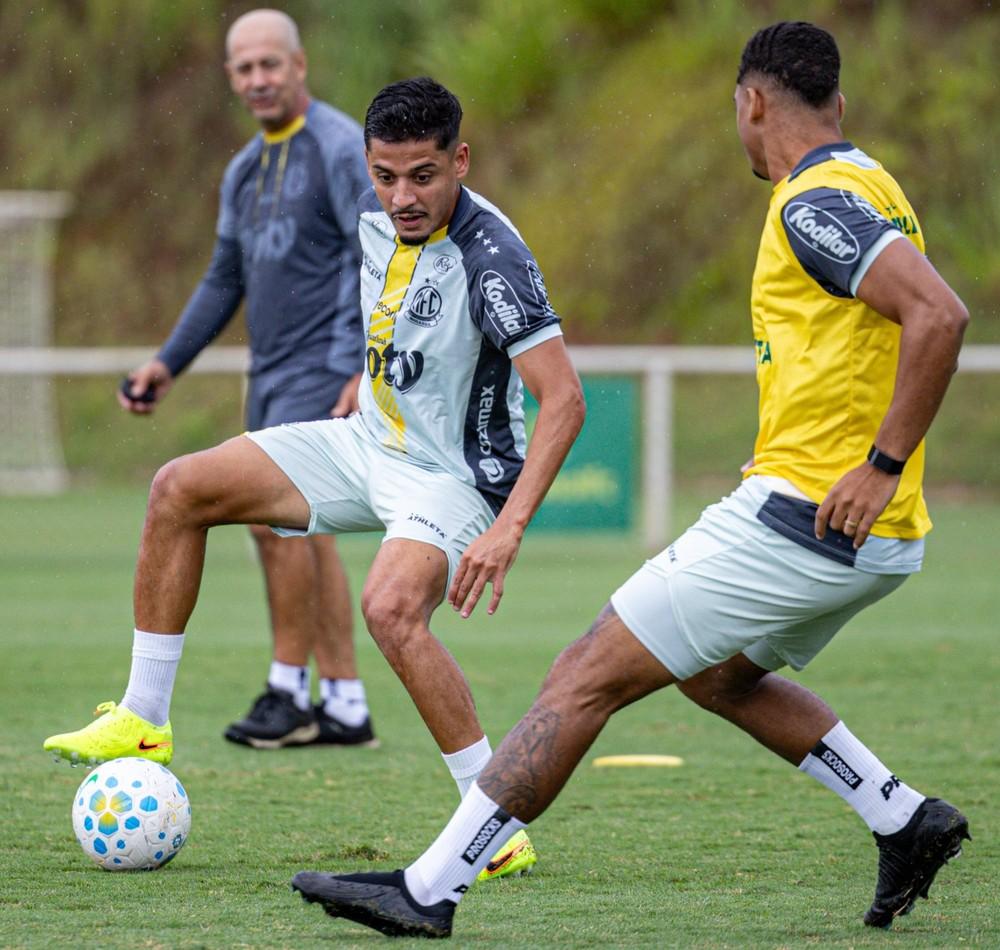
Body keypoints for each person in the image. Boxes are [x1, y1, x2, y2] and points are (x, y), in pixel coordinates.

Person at [288, 21, 972, 939]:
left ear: (750, 103)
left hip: (805, 516)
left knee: (582, 677)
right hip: (868, 533)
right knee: (719, 678)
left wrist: (880, 464)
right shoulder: (873, 179)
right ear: (838, 105)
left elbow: (939, 313)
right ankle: (901, 814)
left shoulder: (813, 202)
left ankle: (430, 888)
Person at [45, 76, 586, 882]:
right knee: (178, 489)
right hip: (365, 443)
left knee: (391, 608)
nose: (402, 196)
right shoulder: (370, 219)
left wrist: (507, 527)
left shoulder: (493, 257)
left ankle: (493, 821)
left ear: (461, 161)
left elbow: (564, 400)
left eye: (424, 176)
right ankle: (144, 719)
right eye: (386, 174)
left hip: (454, 478)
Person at [116, 9, 376, 749]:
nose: (259, 78)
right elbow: (224, 278)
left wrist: (365, 365)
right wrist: (168, 361)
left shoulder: (334, 147)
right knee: (302, 531)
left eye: (271, 63)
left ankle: (289, 691)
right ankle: (346, 704)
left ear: (299, 65)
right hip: (269, 372)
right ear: (231, 78)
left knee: (277, 523)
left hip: (324, 366)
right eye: (244, 68)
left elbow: (380, 256)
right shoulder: (243, 169)